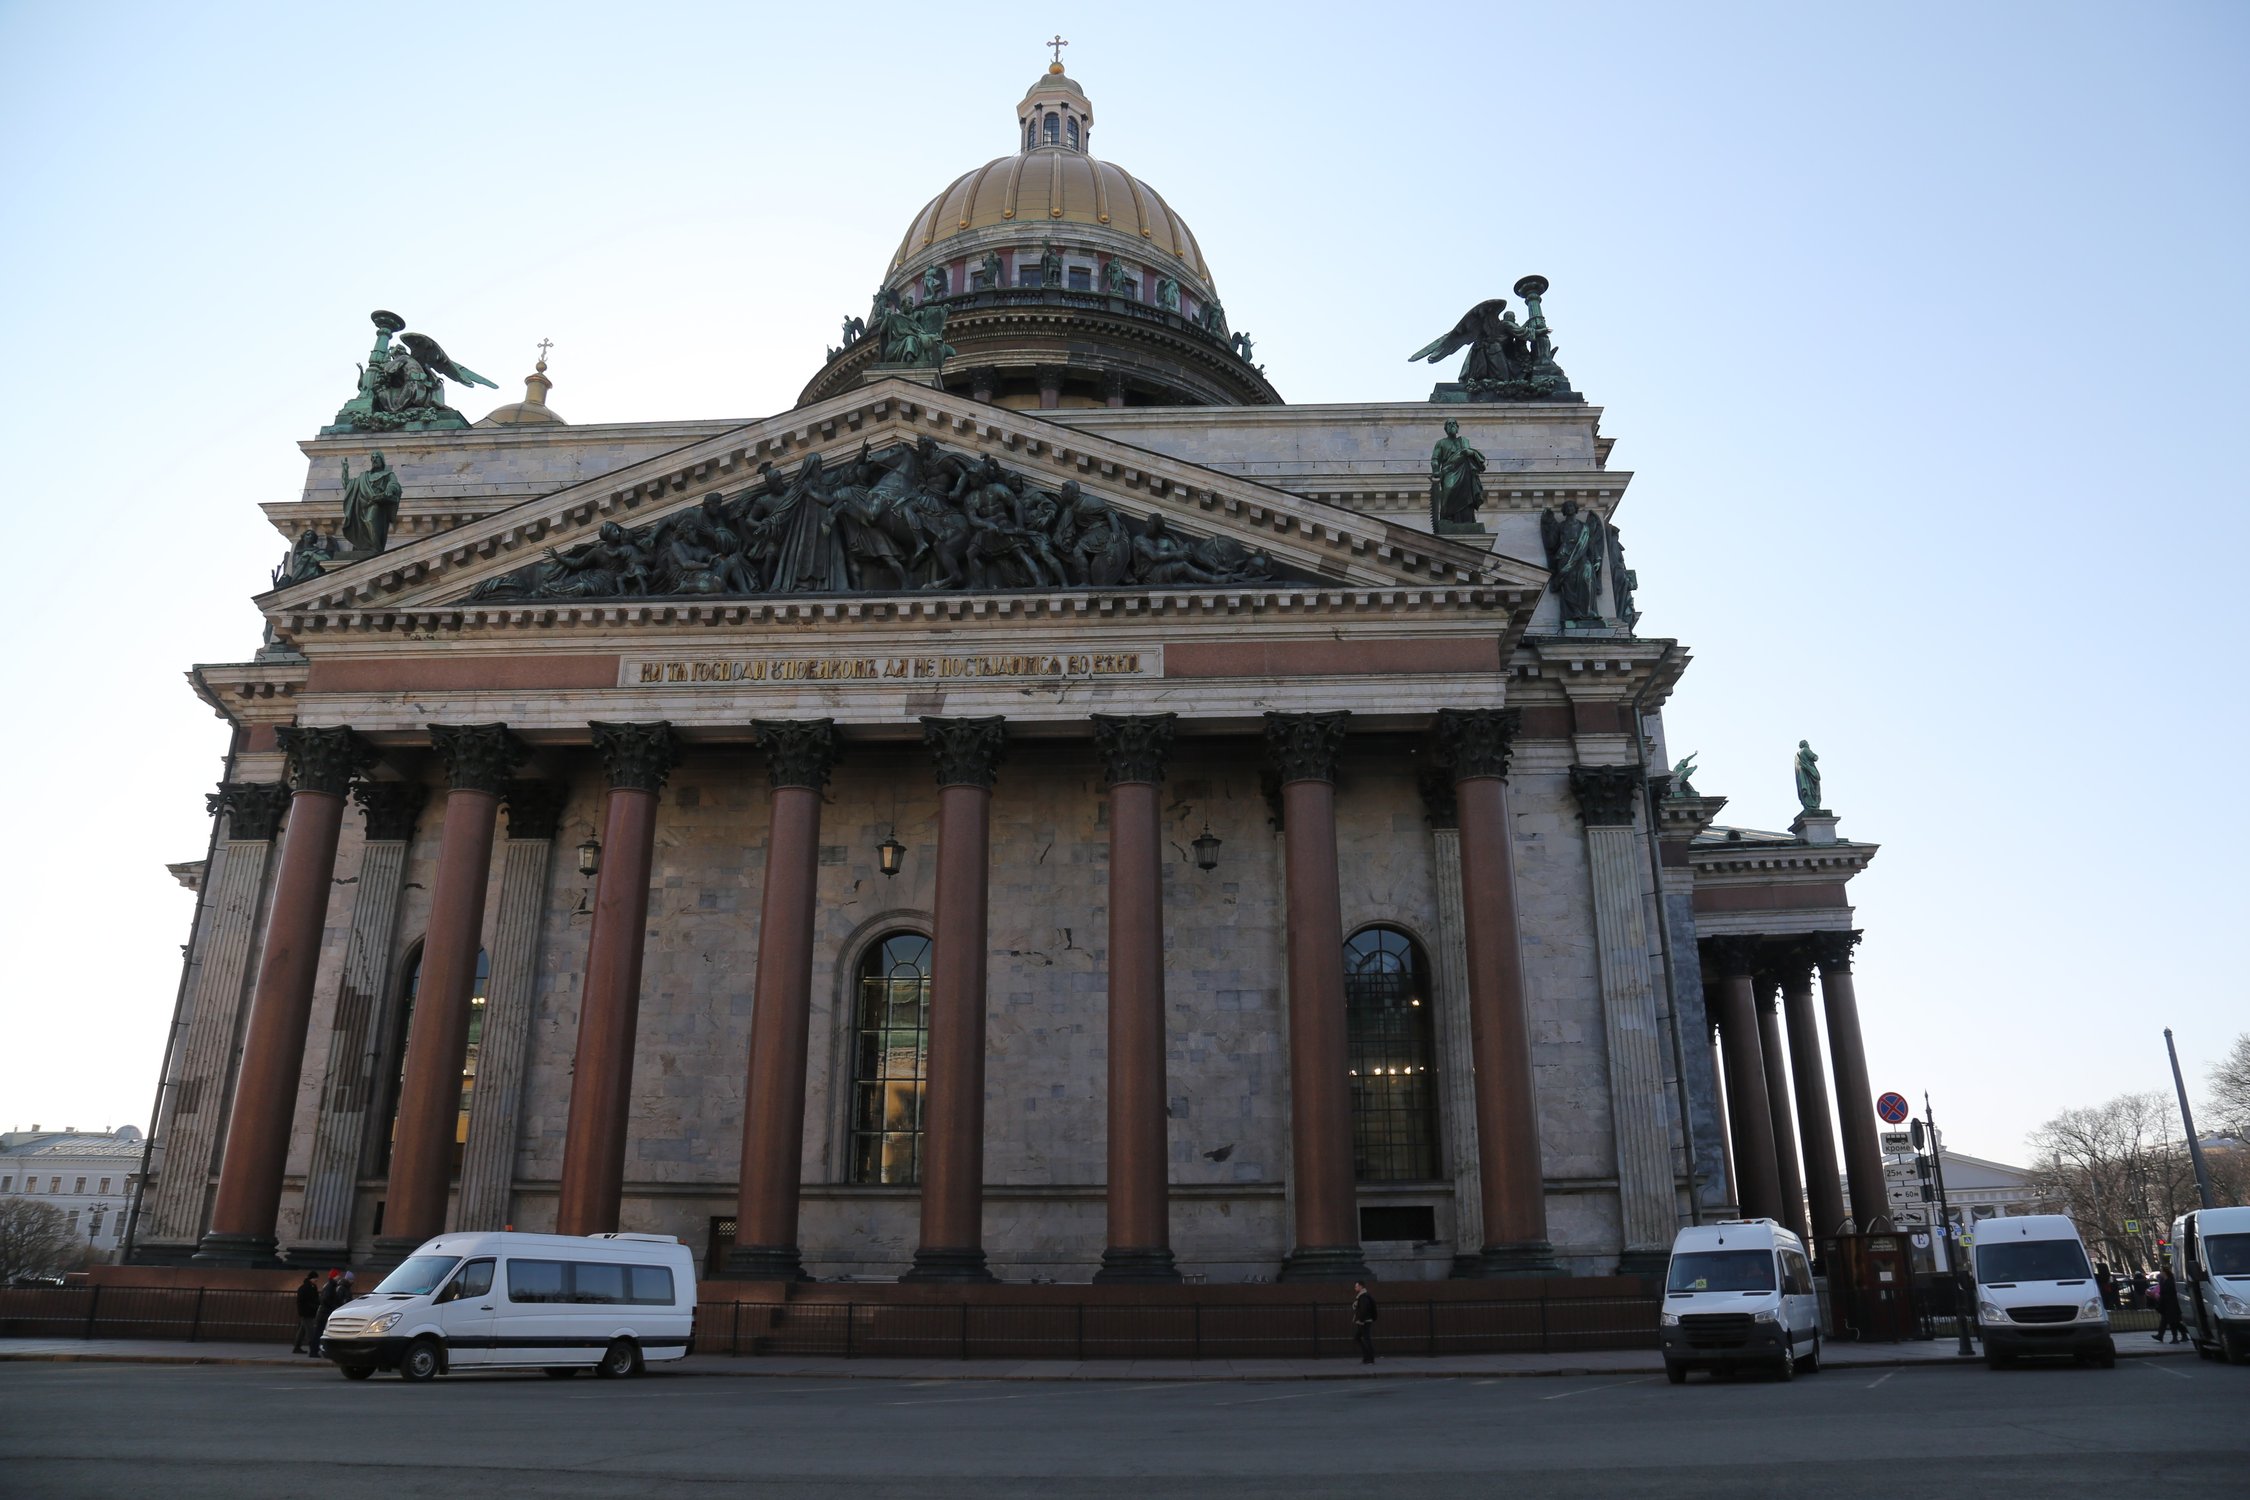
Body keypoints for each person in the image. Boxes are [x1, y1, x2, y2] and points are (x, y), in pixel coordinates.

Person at [315, 1269, 348, 1357]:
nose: (339, 1277)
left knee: (320, 1332)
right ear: (334, 1276)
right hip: (325, 1313)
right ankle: (314, 1351)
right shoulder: (330, 1286)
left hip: (324, 1312)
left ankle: (316, 1350)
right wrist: (333, 1307)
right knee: (320, 1333)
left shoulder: (331, 1285)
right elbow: (326, 1299)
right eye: (338, 1275)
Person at [291, 1271, 322, 1355]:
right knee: (310, 1331)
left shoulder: (311, 1287)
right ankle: (313, 1349)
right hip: (306, 1312)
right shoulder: (305, 1288)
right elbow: (304, 1301)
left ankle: (297, 1347)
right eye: (315, 1278)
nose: (316, 1280)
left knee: (302, 1330)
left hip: (307, 1311)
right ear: (311, 1278)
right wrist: (314, 1306)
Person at [2155, 1266, 2186, 1343]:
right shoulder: (2163, 1280)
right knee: (2167, 1321)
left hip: (2171, 1304)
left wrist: (2161, 1296)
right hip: (2165, 1304)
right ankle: (2161, 1335)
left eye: (2161, 1271)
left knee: (2173, 1322)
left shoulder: (2170, 1281)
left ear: (2165, 1272)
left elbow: (2171, 1292)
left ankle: (2176, 1337)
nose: (2160, 1273)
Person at [1351, 1280, 1377, 1366]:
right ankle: (1367, 1357)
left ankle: (1370, 1359)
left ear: (1361, 1286)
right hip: (1363, 1321)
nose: (1355, 1288)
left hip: (1364, 1322)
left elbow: (1364, 1309)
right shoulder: (1362, 1296)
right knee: (1358, 1338)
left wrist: (1361, 1320)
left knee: (1366, 1339)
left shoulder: (1363, 1297)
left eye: (1356, 1286)